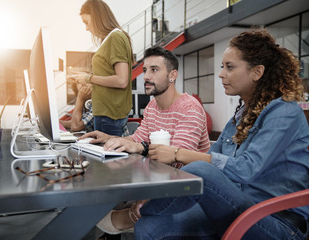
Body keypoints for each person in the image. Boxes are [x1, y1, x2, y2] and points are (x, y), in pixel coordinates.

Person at [110, 28, 309, 239]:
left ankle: (131, 214)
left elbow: (245, 169)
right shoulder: (241, 116)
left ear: (257, 72)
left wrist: (177, 153)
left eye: (229, 67)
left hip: (276, 222)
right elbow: (216, 156)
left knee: (200, 170)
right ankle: (139, 213)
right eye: (222, 66)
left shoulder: (284, 112)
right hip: (233, 206)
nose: (221, 74)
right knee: (149, 228)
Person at [81, 46, 211, 168]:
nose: (146, 76)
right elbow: (136, 139)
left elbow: (175, 162)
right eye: (145, 70)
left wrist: (141, 148)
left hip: (188, 183)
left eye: (154, 70)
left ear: (172, 76)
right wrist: (109, 138)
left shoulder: (189, 108)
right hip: (161, 177)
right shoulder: (152, 106)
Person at [70, 0, 134, 136]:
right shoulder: (111, 39)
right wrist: (87, 78)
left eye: (86, 22)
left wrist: (89, 77)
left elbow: (122, 81)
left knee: (109, 156)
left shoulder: (115, 37)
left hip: (109, 116)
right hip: (105, 115)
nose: (86, 28)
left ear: (97, 17)